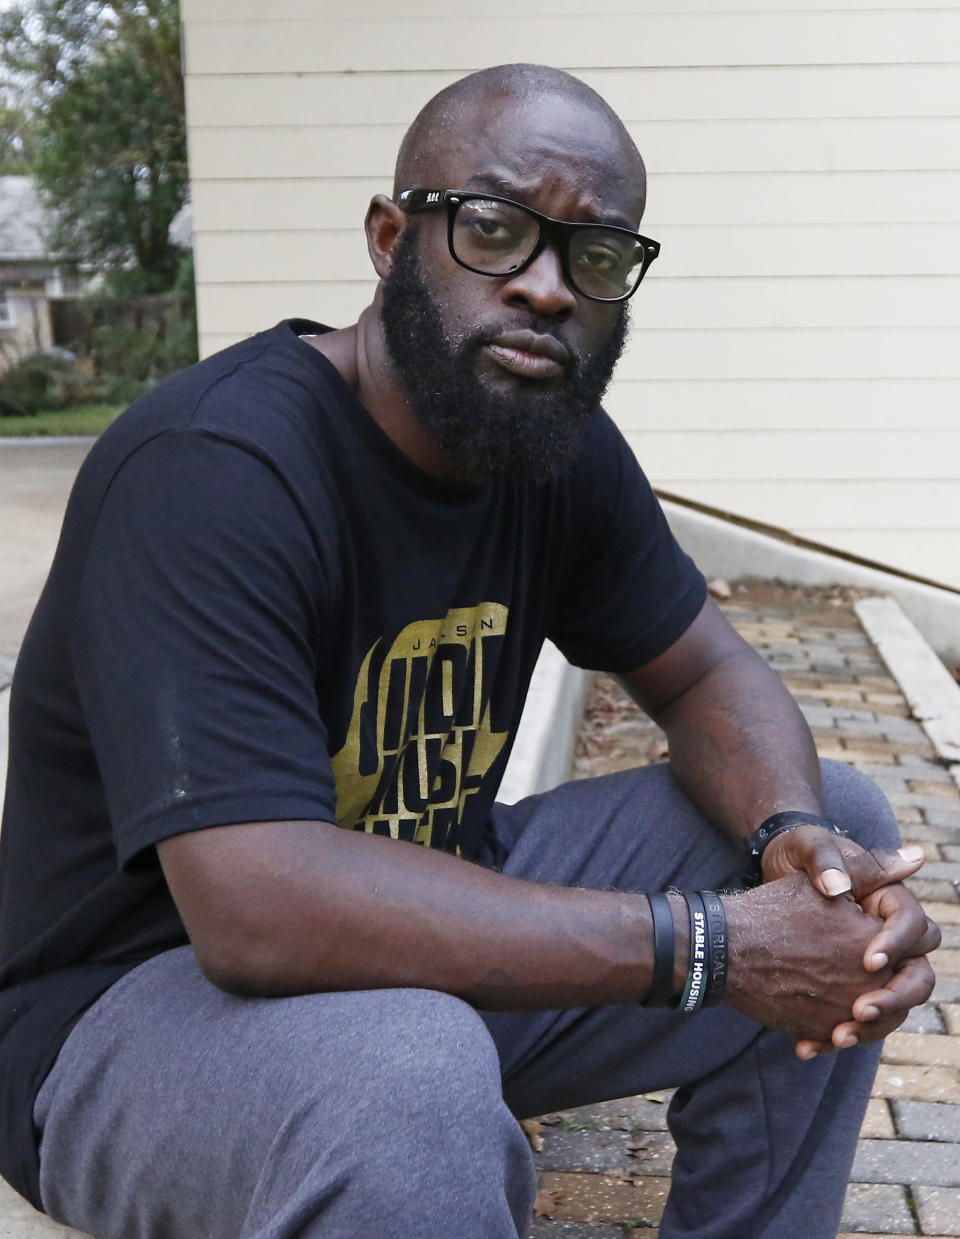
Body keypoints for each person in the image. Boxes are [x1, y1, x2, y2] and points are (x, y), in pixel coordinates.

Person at [0, 63, 940, 1239]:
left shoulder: (551, 445)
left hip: (414, 960)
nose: (547, 290)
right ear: (393, 239)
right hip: (135, 1017)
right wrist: (705, 945)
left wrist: (791, 847)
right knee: (411, 1075)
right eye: (495, 229)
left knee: (828, 855)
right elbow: (254, 910)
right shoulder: (212, 469)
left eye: (594, 255)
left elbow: (705, 672)